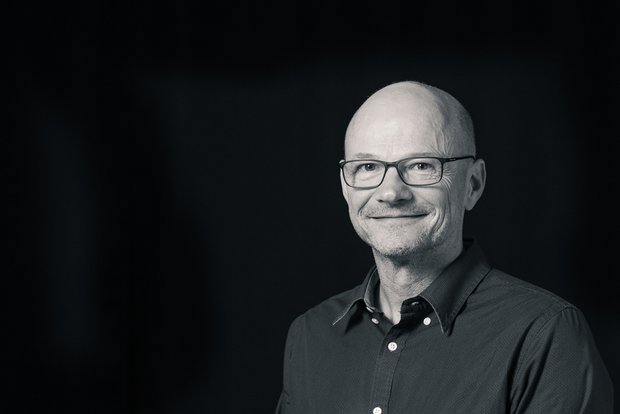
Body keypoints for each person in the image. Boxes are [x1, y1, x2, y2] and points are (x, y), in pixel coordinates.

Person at [275, 81, 613, 413]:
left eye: (421, 165)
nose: (391, 193)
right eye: (367, 167)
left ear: (473, 184)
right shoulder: (310, 336)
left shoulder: (543, 334)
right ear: (345, 187)